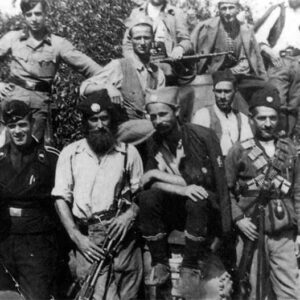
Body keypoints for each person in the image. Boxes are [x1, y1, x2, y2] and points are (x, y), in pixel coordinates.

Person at [138, 87, 232, 298]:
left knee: (196, 198)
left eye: (163, 114)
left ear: (177, 111)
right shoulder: (153, 141)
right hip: (174, 207)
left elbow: (200, 181)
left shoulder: (199, 136)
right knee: (147, 198)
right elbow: (148, 183)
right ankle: (160, 261)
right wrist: (176, 186)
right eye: (152, 116)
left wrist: (157, 174)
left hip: (204, 207)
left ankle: (190, 265)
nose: (157, 120)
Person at [52, 89, 143, 299]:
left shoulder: (128, 152)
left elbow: (141, 195)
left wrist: (129, 215)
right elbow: (60, 199)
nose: (100, 125)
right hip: (88, 240)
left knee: (127, 295)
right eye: (94, 120)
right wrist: (77, 237)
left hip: (122, 239)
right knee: (93, 294)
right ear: (85, 123)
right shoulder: (71, 153)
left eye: (104, 118)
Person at [225, 86, 300, 299]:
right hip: (251, 230)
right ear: (251, 119)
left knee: (290, 292)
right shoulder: (238, 151)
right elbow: (226, 192)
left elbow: (297, 191)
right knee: (250, 290)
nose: (268, 124)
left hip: (283, 233)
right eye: (262, 118)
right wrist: (238, 219)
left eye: (273, 118)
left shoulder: (290, 151)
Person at [0, 0, 102, 141]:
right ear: (23, 16)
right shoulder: (12, 38)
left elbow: (91, 68)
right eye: (29, 14)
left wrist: (106, 84)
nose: (34, 19)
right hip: (12, 99)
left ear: (46, 14)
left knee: (33, 149)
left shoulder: (58, 44)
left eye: (38, 13)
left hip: (39, 104)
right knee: (6, 148)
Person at [0, 100, 59, 300]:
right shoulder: (0, 159)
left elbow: (60, 202)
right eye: (12, 125)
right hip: (5, 238)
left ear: (32, 124)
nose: (17, 131)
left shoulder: (49, 158)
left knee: (37, 295)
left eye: (22, 124)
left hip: (37, 240)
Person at [80, 16, 165, 145]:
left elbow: (161, 105)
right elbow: (85, 87)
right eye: (138, 38)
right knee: (154, 127)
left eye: (146, 38)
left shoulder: (158, 73)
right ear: (131, 41)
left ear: (153, 40)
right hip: (124, 128)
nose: (142, 42)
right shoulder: (119, 66)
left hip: (149, 128)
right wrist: (108, 87)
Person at [255, 0, 300, 136]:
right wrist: (270, 52)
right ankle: (274, 141)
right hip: (279, 62)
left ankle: (288, 143)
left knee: (294, 106)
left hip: (298, 62)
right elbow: (258, 36)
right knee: (276, 103)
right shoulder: (279, 10)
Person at [192, 69, 253, 156]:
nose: (222, 96)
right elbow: (196, 149)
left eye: (227, 91)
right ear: (213, 91)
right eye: (218, 91)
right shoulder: (203, 115)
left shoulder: (242, 119)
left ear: (235, 91)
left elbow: (248, 149)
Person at [122, 0, 192, 60]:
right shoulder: (137, 13)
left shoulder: (175, 13)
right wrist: (132, 60)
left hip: (168, 62)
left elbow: (186, 40)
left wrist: (180, 48)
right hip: (141, 63)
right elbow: (127, 42)